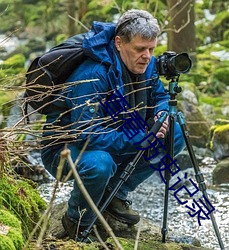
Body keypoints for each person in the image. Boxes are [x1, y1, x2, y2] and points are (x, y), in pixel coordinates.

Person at [41, 9, 185, 241]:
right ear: (119, 43)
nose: (147, 56)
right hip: (66, 149)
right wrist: (140, 139)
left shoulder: (145, 64)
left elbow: (159, 96)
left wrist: (161, 114)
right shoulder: (93, 74)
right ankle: (76, 221)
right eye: (140, 49)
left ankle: (115, 193)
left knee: (174, 132)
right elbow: (86, 134)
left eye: (151, 49)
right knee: (100, 164)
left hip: (117, 133)